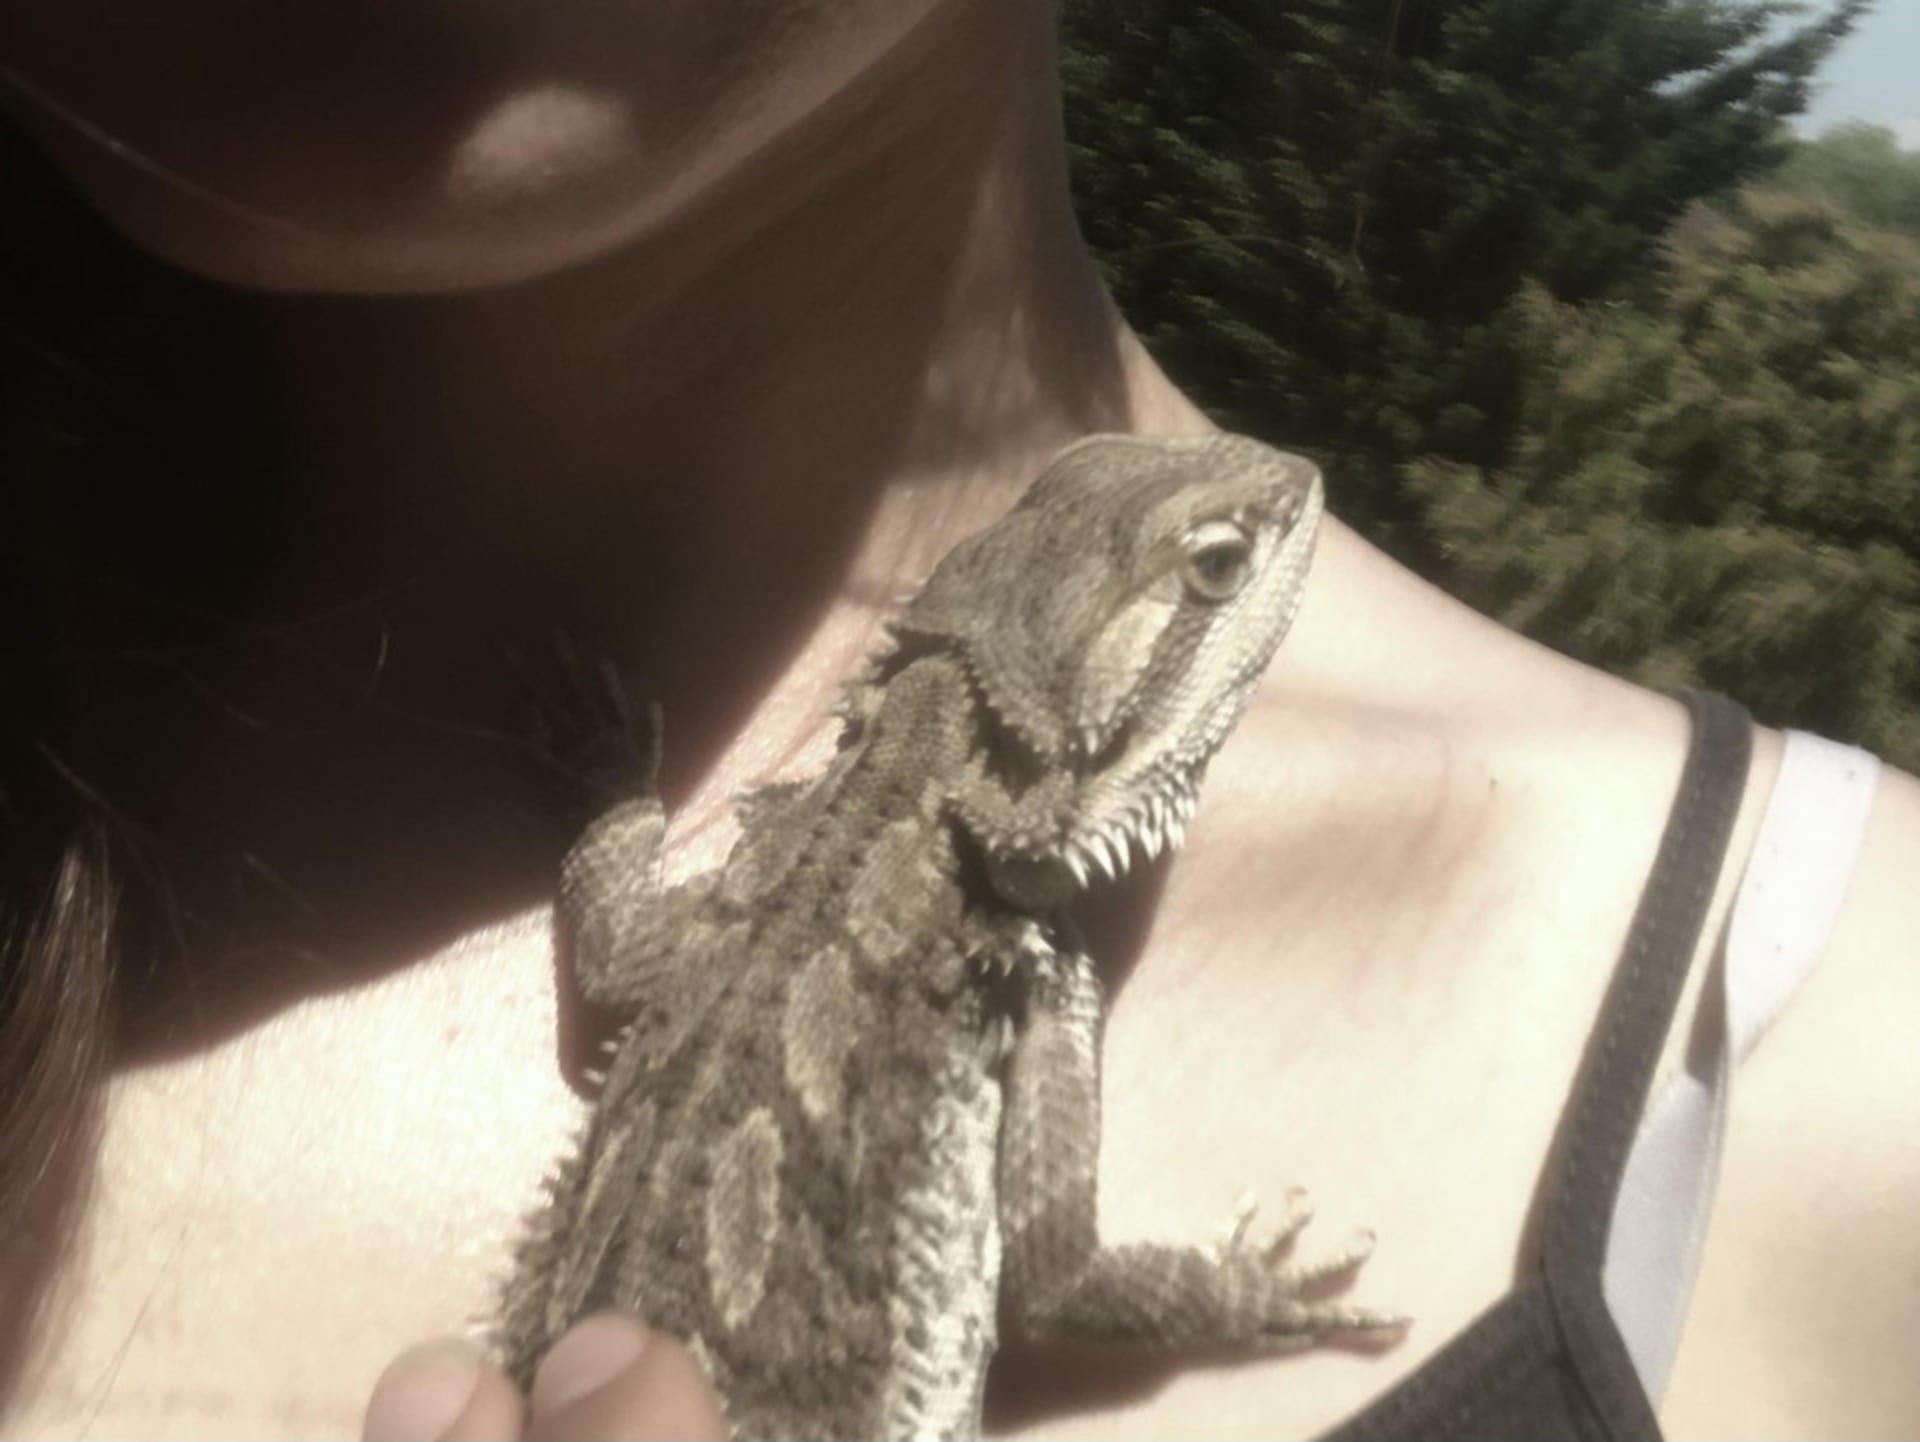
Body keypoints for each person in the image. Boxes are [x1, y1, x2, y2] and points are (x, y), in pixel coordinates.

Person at [2, 0, 1916, 1437]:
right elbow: (1062, 1271)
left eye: (1216, 568)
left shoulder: (1839, 1061)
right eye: (1214, 578)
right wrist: (1242, 1295)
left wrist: (612, 785)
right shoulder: (998, 973)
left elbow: (624, 932)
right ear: (1075, 733)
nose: (1264, 539)